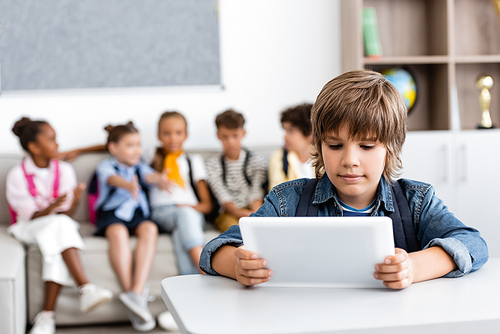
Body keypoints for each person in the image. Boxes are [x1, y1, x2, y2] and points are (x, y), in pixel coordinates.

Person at [198, 70, 489, 289]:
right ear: (319, 146)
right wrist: (237, 265)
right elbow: (217, 248)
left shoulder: (417, 202)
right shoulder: (287, 201)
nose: (349, 160)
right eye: (335, 146)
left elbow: (473, 243)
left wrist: (413, 266)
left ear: (393, 147)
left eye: (366, 146)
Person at [6, 117, 113, 334]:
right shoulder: (16, 175)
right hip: (27, 228)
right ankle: (85, 287)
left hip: (55, 226)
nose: (57, 144)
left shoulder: (64, 170)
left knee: (57, 235)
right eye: (52, 140)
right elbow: (29, 216)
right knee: (59, 225)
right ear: (34, 147)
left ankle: (47, 316)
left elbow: (65, 214)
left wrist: (73, 201)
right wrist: (53, 205)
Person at [94, 122, 170, 331]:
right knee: (117, 232)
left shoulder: (139, 165)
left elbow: (149, 176)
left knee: (150, 229)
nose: (137, 150)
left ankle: (135, 291)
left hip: (136, 214)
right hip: (112, 212)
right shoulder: (106, 166)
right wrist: (127, 185)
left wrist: (160, 179)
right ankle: (134, 298)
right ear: (113, 148)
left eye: (138, 145)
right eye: (130, 145)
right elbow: (111, 179)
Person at [147, 111, 212, 275]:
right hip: (163, 213)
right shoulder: (150, 155)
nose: (173, 138)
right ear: (158, 135)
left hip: (190, 212)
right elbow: (118, 144)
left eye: (178, 133)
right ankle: (204, 266)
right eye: (166, 133)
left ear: (186, 135)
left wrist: (187, 208)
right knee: (184, 216)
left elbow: (207, 205)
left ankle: (191, 284)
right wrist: (81, 150)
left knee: (180, 231)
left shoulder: (193, 161)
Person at [206, 109, 268, 233]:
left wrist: (255, 215)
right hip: (228, 212)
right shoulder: (213, 164)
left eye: (235, 136)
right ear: (218, 135)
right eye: (225, 136)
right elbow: (222, 195)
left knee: (259, 229)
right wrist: (239, 213)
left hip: (253, 208)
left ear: (243, 133)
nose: (230, 142)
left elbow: (257, 191)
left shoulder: (257, 160)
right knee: (234, 232)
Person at [268, 103, 315, 191]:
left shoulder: (324, 158)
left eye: (291, 131)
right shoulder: (279, 158)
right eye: (285, 130)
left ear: (310, 133)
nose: (285, 137)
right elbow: (275, 192)